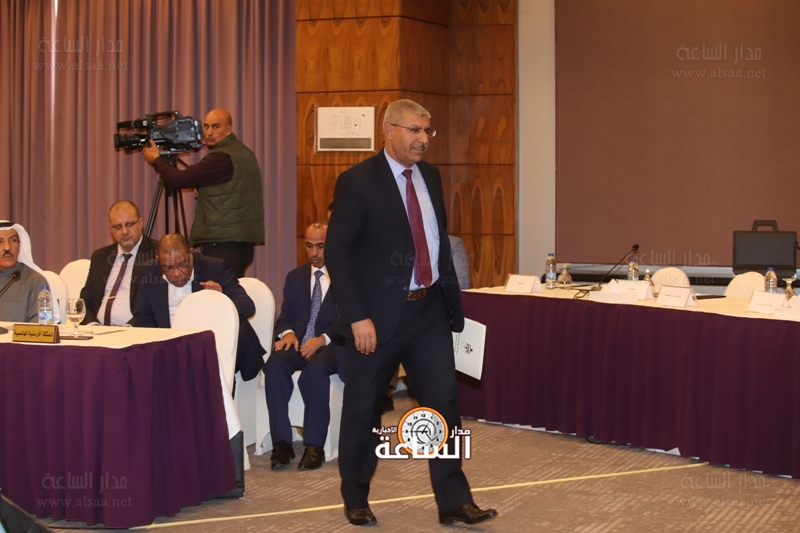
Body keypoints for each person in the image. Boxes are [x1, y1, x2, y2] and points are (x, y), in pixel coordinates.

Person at [326, 99, 498, 526]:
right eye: (414, 130)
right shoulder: (357, 182)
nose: (423, 139)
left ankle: (454, 500)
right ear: (389, 131)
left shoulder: (431, 176)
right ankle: (355, 495)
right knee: (364, 408)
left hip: (429, 312)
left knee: (444, 404)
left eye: (427, 131)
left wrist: (448, 300)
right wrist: (357, 316)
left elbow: (435, 241)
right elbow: (337, 253)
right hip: (376, 317)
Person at [142, 108, 264, 278]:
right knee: (229, 291)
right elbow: (232, 191)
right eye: (206, 126)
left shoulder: (222, 157)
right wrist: (205, 190)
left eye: (216, 126)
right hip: (238, 243)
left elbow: (180, 180)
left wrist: (156, 159)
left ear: (229, 129)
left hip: (223, 244)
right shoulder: (242, 153)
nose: (209, 132)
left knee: (220, 292)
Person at [263, 221, 344, 471]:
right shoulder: (295, 277)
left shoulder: (345, 276)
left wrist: (323, 339)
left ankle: (314, 446)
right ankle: (282, 443)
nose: (314, 253)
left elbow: (351, 320)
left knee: (315, 370)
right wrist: (287, 333)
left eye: (320, 246)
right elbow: (285, 317)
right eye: (309, 246)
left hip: (332, 344)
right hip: (299, 344)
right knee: (274, 365)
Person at [131, 233, 265, 382]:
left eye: (182, 264)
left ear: (190, 254)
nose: (176, 273)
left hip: (213, 351)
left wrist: (221, 300)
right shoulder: (150, 271)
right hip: (170, 352)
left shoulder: (214, 268)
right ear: (158, 260)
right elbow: (143, 317)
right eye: (168, 267)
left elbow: (247, 306)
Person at [81, 200, 158, 325]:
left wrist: (130, 328)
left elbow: (156, 306)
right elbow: (85, 302)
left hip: (136, 330)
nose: (124, 231)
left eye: (129, 224)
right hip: (98, 330)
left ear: (140, 223)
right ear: (110, 228)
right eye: (118, 226)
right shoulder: (100, 257)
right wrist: (93, 326)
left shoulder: (157, 254)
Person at [0, 221, 54, 323]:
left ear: (19, 247)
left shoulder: (35, 281)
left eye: (13, 240)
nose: (7, 247)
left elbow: (39, 326)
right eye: (0, 242)